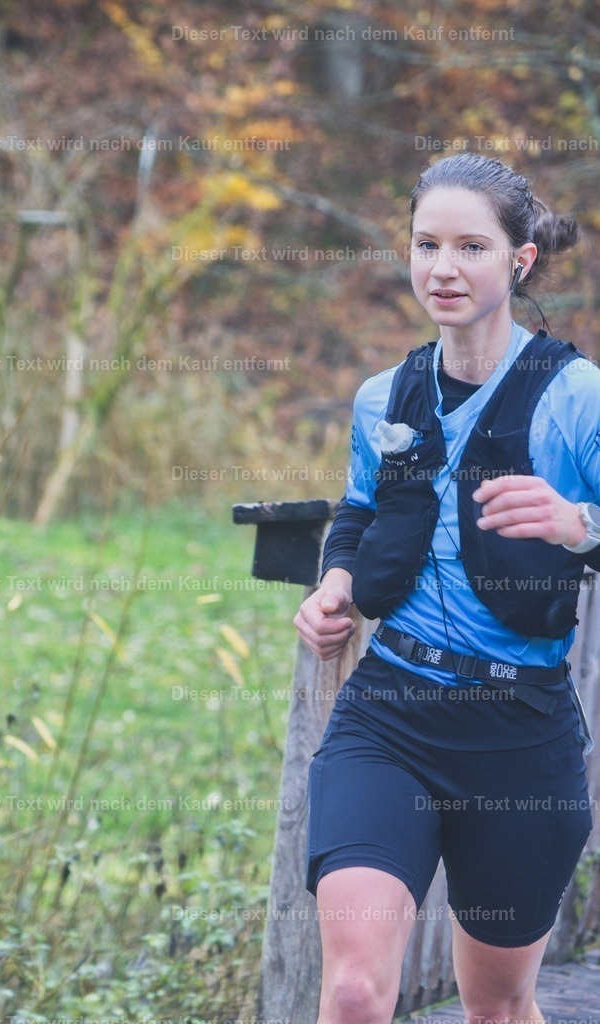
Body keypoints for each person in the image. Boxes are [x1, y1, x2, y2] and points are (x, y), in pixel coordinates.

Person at [293, 152, 599, 1024]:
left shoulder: (576, 397)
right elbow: (358, 511)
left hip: (519, 733)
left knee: (497, 1008)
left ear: (520, 260)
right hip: (387, 711)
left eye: (471, 247)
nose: (444, 269)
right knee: (354, 991)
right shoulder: (383, 395)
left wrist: (579, 523)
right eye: (428, 245)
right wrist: (336, 584)